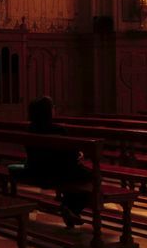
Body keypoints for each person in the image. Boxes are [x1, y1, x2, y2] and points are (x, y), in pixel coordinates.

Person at [8, 97, 92, 227]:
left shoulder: (30, 129)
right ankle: (71, 207)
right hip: (54, 172)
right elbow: (70, 155)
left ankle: (69, 207)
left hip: (35, 169)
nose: (54, 109)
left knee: (75, 176)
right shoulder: (58, 130)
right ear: (48, 111)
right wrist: (79, 155)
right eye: (53, 107)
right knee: (90, 176)